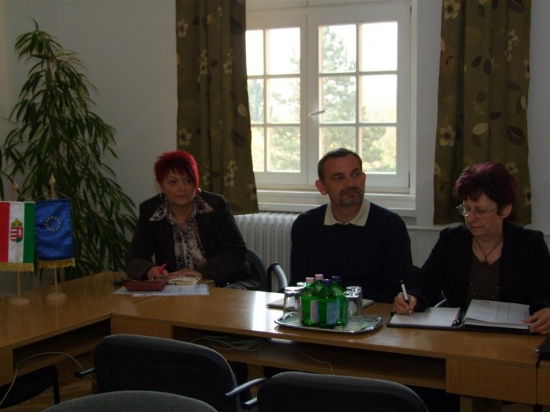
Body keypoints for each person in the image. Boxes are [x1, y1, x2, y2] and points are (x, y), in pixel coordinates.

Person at [393, 162, 550, 334]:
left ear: (505, 209)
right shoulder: (451, 240)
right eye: (466, 209)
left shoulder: (530, 244)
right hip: (460, 337)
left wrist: (547, 310)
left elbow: (546, 294)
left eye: (480, 211)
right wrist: (411, 298)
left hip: (513, 338)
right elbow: (425, 285)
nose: (470, 218)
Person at [290, 148, 413, 303]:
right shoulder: (306, 225)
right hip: (322, 312)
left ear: (364, 179)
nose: (350, 184)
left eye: (355, 175)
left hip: (376, 312)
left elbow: (399, 291)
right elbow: (299, 284)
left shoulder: (390, 225)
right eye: (339, 178)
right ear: (322, 187)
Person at [126, 150, 261, 290]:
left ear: (196, 183)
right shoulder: (151, 212)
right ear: (161, 186)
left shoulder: (215, 206)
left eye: (188, 181)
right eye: (173, 182)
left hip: (225, 283)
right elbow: (134, 258)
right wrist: (150, 270)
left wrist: (202, 272)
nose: (182, 188)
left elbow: (237, 252)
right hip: (177, 289)